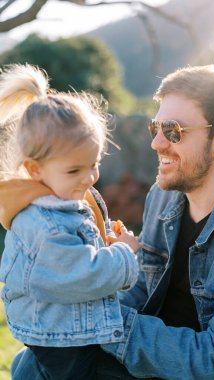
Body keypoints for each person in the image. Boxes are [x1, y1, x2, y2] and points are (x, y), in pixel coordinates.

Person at [1, 63, 214, 380]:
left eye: (173, 130)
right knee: (31, 364)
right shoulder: (163, 197)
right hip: (142, 357)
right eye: (154, 129)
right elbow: (143, 287)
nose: (156, 143)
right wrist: (103, 269)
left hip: (186, 368)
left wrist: (103, 321)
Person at [0, 63, 141, 380]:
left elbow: (77, 249)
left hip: (59, 327)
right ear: (35, 170)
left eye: (94, 164)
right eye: (74, 171)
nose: (89, 178)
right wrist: (123, 254)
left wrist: (105, 239)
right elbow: (79, 275)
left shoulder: (61, 201)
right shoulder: (45, 221)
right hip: (61, 339)